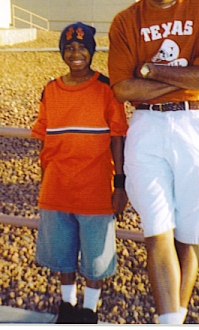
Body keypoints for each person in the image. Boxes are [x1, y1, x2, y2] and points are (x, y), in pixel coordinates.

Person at [108, 0, 199, 325]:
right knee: (156, 228)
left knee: (190, 234)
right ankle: (168, 323)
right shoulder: (126, 21)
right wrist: (184, 79)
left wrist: (150, 70)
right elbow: (123, 89)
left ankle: (173, 321)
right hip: (148, 126)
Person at [31, 22, 128, 324]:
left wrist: (120, 184)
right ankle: (67, 306)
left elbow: (118, 138)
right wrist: (46, 177)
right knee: (62, 254)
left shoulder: (107, 89)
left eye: (82, 47)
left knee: (96, 258)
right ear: (62, 53)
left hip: (95, 189)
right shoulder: (50, 90)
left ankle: (90, 309)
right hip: (57, 189)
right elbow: (44, 137)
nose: (76, 54)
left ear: (91, 51)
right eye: (69, 48)